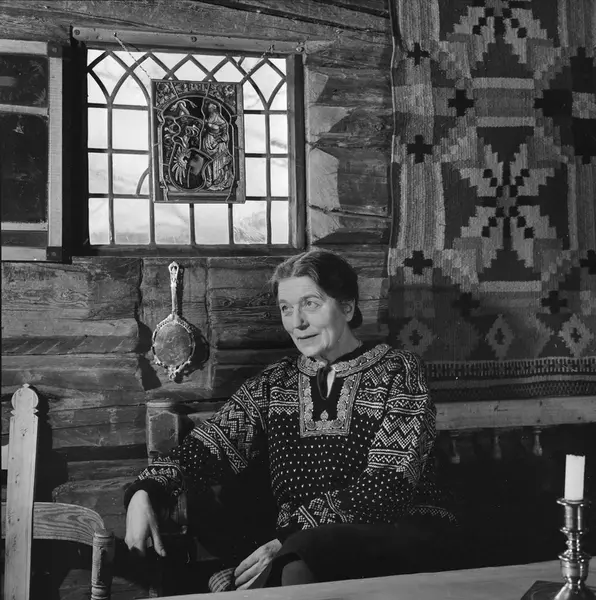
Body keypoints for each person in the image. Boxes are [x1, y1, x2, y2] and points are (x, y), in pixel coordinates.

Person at [124, 249, 456, 591]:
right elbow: (208, 447)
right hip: (295, 548)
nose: (297, 322)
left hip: (394, 535)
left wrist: (288, 539)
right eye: (286, 308)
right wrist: (145, 491)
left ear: (347, 307)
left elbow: (389, 484)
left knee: (300, 556)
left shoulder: (398, 371)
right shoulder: (275, 383)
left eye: (310, 304)